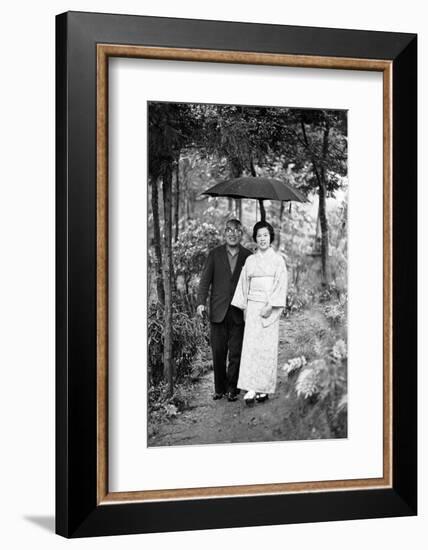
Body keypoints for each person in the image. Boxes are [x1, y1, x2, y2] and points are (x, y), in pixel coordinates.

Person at [231, 220, 288, 405]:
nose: (262, 239)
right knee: (251, 348)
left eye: (265, 235)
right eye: (259, 236)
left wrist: (271, 305)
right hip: (253, 308)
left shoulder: (278, 260)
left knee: (267, 349)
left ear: (270, 237)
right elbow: (243, 286)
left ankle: (264, 388)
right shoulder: (250, 260)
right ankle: (251, 388)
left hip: (269, 308)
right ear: (255, 239)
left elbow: (281, 286)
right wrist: (246, 308)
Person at [196, 219, 252, 402]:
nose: (232, 233)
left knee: (235, 352)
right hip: (218, 310)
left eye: (236, 230)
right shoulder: (214, 254)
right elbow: (205, 281)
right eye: (229, 230)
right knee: (218, 352)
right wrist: (200, 302)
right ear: (224, 233)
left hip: (238, 311)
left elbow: (254, 282)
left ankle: (232, 389)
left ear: (241, 233)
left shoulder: (248, 256)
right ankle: (219, 388)